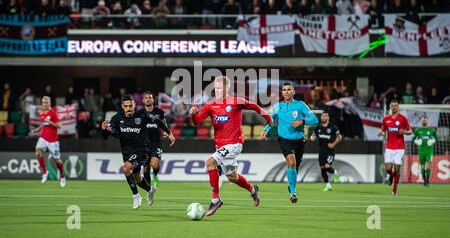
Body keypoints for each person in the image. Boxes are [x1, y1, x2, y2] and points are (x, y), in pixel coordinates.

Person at [189, 76, 273, 216]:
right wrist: (193, 114)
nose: (217, 90)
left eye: (220, 88)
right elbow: (197, 121)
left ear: (226, 88)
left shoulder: (236, 102)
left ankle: (215, 200)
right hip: (221, 146)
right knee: (232, 177)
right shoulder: (210, 105)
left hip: (234, 144)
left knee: (210, 163)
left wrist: (268, 119)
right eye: (215, 88)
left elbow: (254, 106)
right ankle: (253, 190)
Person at [101, 94, 175, 209]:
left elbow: (158, 122)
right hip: (126, 152)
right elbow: (113, 133)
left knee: (126, 168)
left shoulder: (142, 116)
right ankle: (150, 190)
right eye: (126, 106)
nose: (129, 108)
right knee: (137, 178)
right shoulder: (117, 118)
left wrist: (169, 133)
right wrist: (106, 128)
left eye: (131, 105)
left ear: (135, 105)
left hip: (142, 151)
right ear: (122, 106)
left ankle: (136, 196)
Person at [260, 82, 318, 203]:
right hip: (284, 139)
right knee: (291, 162)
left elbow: (314, 119)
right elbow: (271, 119)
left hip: (299, 140)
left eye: (289, 90)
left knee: (295, 167)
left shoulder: (300, 105)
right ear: (282, 92)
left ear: (293, 92)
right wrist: (265, 130)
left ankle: (291, 185)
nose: (286, 92)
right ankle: (293, 192)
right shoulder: (277, 106)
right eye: (284, 90)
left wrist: (302, 121)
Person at [137, 91, 167, 204]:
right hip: (144, 144)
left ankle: (155, 176)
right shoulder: (139, 113)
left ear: (153, 100)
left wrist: (165, 131)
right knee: (145, 170)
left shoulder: (159, 112)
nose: (148, 99)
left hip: (156, 143)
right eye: (146, 98)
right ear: (143, 100)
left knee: (155, 164)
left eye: (150, 97)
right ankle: (150, 192)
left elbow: (164, 122)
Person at [378, 100, 412, 195]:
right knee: (388, 169)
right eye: (392, 106)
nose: (394, 107)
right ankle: (391, 176)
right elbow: (384, 130)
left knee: (397, 169)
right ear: (390, 107)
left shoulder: (403, 119)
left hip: (399, 148)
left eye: (395, 106)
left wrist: (404, 132)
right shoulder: (386, 119)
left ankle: (394, 190)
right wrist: (382, 133)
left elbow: (410, 131)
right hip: (389, 147)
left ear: (398, 107)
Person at [31, 96, 66, 187]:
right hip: (43, 137)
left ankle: (62, 175)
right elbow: (43, 124)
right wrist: (37, 130)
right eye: (43, 102)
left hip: (53, 140)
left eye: (46, 102)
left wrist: (51, 122)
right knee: (37, 152)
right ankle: (44, 172)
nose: (45, 104)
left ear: (49, 103)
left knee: (57, 160)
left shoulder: (53, 113)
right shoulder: (42, 113)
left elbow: (59, 125)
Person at [310, 111, 342, 192]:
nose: (324, 117)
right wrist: (312, 138)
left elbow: (339, 137)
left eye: (325, 116)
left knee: (327, 166)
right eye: (323, 116)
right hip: (321, 151)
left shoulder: (333, 128)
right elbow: (313, 135)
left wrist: (333, 144)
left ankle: (335, 172)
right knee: (322, 168)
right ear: (321, 117)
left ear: (328, 118)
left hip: (330, 151)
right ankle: (328, 186)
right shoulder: (318, 128)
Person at [413, 115, 437, 186]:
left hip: (429, 151)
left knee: (428, 165)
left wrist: (432, 141)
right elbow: (413, 138)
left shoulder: (431, 130)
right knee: (423, 166)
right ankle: (424, 180)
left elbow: (436, 138)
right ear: (421, 121)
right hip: (421, 151)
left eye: (425, 120)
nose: (424, 121)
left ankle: (427, 180)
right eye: (423, 120)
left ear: (427, 121)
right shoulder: (417, 130)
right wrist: (417, 141)